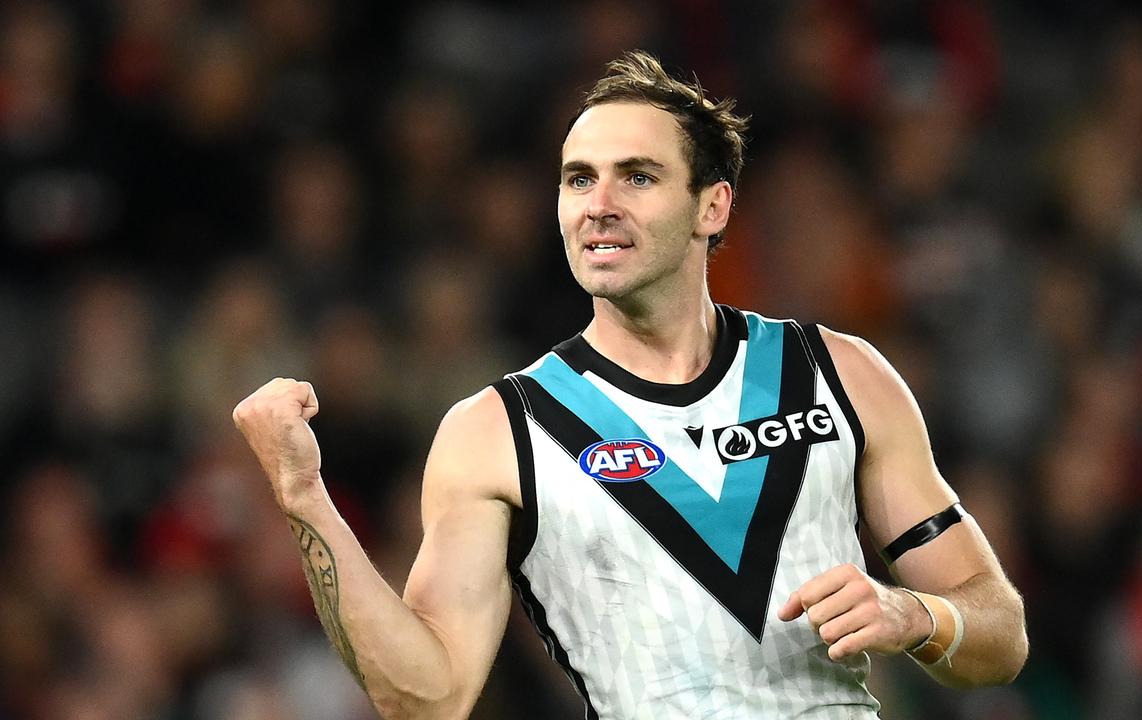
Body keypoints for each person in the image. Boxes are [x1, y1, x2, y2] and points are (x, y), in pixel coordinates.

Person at [232, 50, 1028, 719]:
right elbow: (428, 697)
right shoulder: (499, 433)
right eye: (578, 180)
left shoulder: (840, 375)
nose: (599, 206)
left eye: (637, 177)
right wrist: (306, 501)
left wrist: (914, 613)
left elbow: (1001, 634)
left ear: (712, 206)